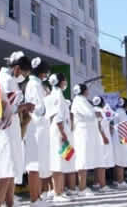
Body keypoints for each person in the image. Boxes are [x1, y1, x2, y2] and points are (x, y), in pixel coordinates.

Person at [0, 52, 33, 207]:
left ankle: (9, 203)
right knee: (6, 169)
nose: (23, 77)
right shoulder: (6, 80)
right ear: (16, 69)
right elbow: (6, 109)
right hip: (5, 129)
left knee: (10, 169)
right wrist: (25, 106)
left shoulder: (3, 78)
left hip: (8, 128)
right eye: (24, 73)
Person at [23, 58, 51, 207]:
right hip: (36, 127)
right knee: (34, 164)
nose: (46, 75)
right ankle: (34, 199)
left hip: (38, 126)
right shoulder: (34, 85)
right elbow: (38, 108)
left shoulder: (36, 84)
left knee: (38, 163)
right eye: (45, 72)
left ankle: (38, 198)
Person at [47, 73, 74, 202]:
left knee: (62, 160)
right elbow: (58, 116)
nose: (66, 82)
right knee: (58, 162)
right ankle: (58, 193)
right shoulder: (57, 95)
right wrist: (63, 134)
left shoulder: (56, 93)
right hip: (59, 130)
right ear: (60, 81)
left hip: (59, 130)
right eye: (65, 80)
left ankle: (59, 190)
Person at [70, 84, 98, 197]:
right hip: (82, 132)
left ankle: (82, 186)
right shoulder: (80, 101)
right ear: (83, 91)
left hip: (84, 132)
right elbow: (90, 115)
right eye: (87, 89)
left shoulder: (81, 100)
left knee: (84, 159)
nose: (88, 91)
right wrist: (96, 113)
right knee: (82, 159)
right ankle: (82, 188)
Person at [91, 96, 114, 191]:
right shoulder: (98, 111)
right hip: (102, 138)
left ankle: (96, 182)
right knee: (102, 162)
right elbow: (99, 125)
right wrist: (104, 136)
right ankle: (103, 185)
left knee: (98, 162)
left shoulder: (95, 110)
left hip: (99, 138)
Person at [111, 98, 127, 188]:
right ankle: (121, 181)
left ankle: (116, 180)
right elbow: (124, 127)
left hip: (116, 137)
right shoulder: (122, 113)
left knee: (117, 159)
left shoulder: (116, 111)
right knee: (121, 158)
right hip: (121, 137)